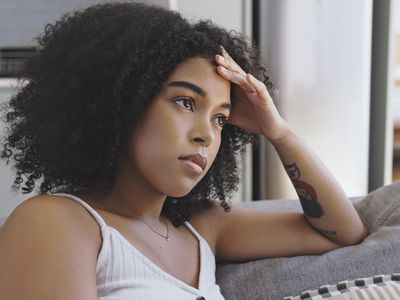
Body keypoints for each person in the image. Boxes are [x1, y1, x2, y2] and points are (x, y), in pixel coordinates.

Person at [0, 2, 368, 299]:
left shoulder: (203, 227)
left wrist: (278, 131)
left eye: (221, 119)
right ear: (124, 101)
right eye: (186, 102)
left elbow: (342, 232)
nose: (206, 135)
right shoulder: (57, 222)